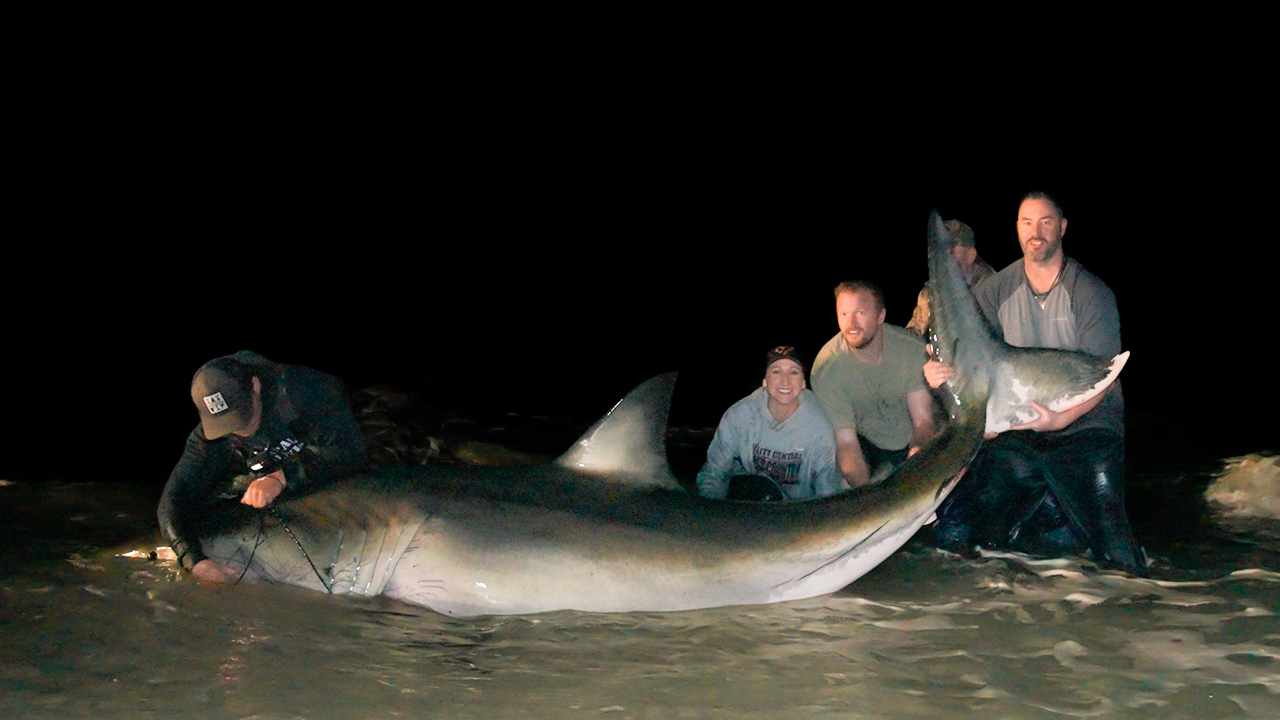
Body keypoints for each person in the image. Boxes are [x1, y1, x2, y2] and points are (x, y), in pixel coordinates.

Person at [923, 192, 1145, 573]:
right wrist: (938, 375)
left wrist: (1060, 420)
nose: (1035, 231)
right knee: (982, 544)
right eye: (1027, 222)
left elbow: (1103, 375)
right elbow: (971, 361)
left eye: (1045, 222)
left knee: (1118, 556)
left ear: (1062, 227)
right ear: (1017, 229)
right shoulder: (994, 291)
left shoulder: (1091, 293)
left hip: (1087, 429)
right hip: (1021, 431)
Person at [159, 351, 368, 582]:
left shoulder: (303, 390)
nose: (238, 428)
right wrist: (193, 561)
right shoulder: (207, 438)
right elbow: (172, 500)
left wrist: (282, 477)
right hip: (275, 457)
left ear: (255, 386)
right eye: (224, 422)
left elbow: (352, 454)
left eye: (241, 414)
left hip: (343, 430)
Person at [811, 281, 936, 487]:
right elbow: (846, 443)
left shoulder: (911, 349)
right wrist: (869, 495)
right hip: (866, 445)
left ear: (880, 316)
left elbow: (923, 420)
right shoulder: (826, 370)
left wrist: (919, 454)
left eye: (859, 313)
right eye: (843, 314)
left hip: (911, 439)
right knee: (844, 476)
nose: (850, 323)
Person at [697, 346, 845, 501]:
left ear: (803, 383)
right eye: (776, 372)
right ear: (765, 382)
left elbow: (827, 488)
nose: (785, 381)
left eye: (793, 372)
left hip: (797, 511)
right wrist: (711, 506)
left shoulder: (820, 426)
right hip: (744, 503)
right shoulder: (739, 415)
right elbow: (714, 471)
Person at [906, 219, 993, 336]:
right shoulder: (931, 292)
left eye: (953, 245)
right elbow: (913, 333)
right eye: (942, 246)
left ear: (971, 255)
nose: (946, 251)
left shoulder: (994, 288)